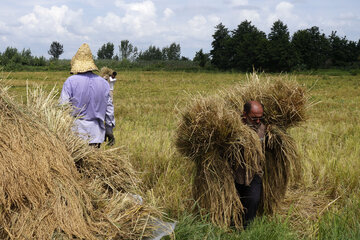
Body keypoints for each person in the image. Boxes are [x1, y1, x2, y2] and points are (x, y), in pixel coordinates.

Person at [60, 43, 115, 147]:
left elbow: (63, 107)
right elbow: (109, 109)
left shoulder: (70, 81)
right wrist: (109, 130)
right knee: (93, 163)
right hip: (96, 135)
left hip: (75, 134)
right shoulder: (103, 83)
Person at [234, 100, 266, 228]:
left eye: (260, 118)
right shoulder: (235, 128)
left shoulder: (263, 128)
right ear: (244, 114)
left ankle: (247, 230)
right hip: (235, 173)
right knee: (235, 201)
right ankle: (232, 227)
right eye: (254, 118)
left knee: (253, 200)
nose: (258, 121)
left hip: (254, 172)